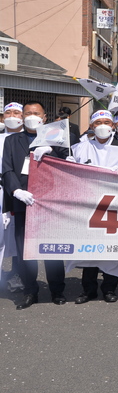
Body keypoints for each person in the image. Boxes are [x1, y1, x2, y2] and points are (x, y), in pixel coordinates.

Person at [2, 100, 73, 309]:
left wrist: (51, 150)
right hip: (23, 200)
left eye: (36, 113)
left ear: (44, 118)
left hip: (50, 201)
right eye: (28, 113)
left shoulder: (56, 136)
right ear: (22, 117)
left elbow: (67, 163)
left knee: (52, 248)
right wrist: (16, 190)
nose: (32, 116)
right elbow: (7, 169)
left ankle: (57, 290)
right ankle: (30, 291)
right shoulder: (12, 141)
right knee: (26, 250)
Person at [67, 110, 118, 304]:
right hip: (88, 207)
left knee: (113, 249)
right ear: (92, 126)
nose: (102, 126)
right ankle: (88, 290)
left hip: (115, 206)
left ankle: (110, 288)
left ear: (112, 126)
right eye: (98, 122)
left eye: (106, 122)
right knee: (89, 249)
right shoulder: (79, 148)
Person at [0, 103, 24, 293]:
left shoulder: (27, 139)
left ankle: (17, 274)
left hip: (18, 192)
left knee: (17, 236)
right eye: (8, 112)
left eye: (16, 112)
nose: (12, 115)